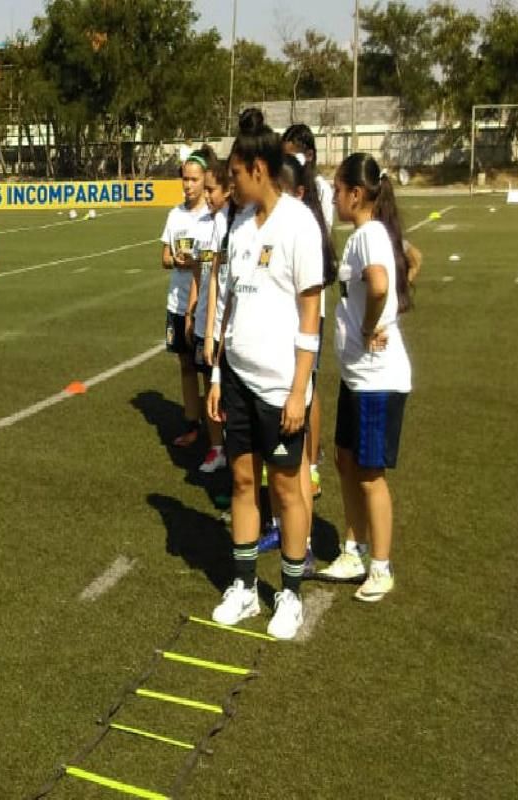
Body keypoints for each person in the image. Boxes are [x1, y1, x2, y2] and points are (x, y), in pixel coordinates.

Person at [207, 109, 324, 640]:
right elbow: (228, 302)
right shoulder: (236, 222)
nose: (229, 183)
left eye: (234, 173)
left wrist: (300, 390)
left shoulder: (298, 223)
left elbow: (309, 317)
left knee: (286, 489)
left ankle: (292, 594)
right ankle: (245, 587)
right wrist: (214, 375)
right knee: (240, 480)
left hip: (281, 387)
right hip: (235, 376)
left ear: (258, 168)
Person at [317, 153, 414, 603]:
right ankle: (353, 551)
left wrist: (371, 323)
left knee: (370, 473)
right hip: (358, 376)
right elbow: (413, 260)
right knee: (345, 459)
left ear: (356, 194)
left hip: (377, 378)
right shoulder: (373, 234)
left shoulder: (368, 235)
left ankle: (381, 564)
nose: (333, 196)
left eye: (337, 189)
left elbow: (378, 284)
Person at [282, 123, 334, 496]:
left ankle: (310, 464)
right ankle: (287, 459)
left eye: (293, 153)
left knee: (308, 385)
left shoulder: (322, 192)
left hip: (310, 304)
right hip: (284, 305)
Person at [162, 153, 210, 447]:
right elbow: (164, 257)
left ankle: (216, 428)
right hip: (177, 302)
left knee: (206, 367)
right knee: (185, 365)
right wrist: (177, 261)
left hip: (203, 304)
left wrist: (197, 261)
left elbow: (215, 259)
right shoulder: (175, 215)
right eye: (185, 178)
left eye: (194, 179)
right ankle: (193, 424)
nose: (188, 185)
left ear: (205, 180)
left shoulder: (212, 216)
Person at [199, 155, 235, 473]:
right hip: (218, 326)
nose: (206, 195)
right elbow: (214, 276)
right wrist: (208, 329)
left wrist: (218, 332)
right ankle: (219, 453)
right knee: (215, 397)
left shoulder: (233, 222)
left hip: (233, 331)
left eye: (211, 189)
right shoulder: (217, 222)